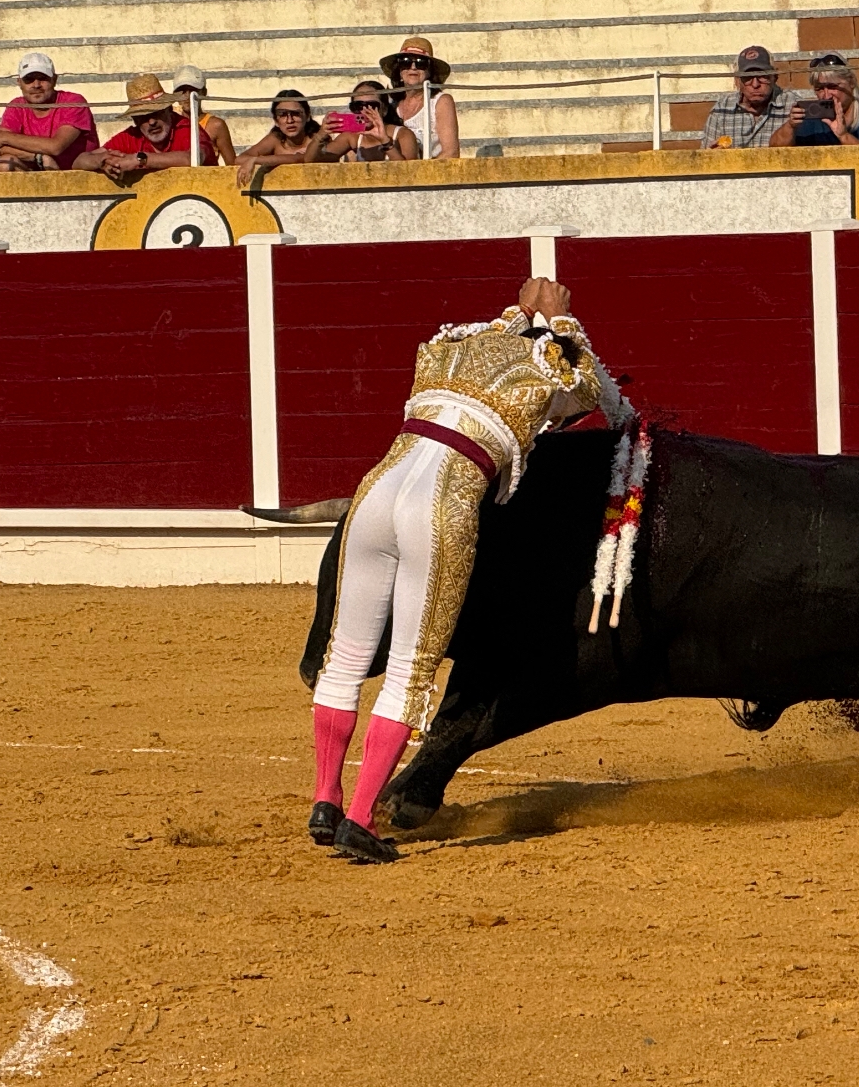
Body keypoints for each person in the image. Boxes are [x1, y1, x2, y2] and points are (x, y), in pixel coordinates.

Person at [308, 279, 629, 863]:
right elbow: (587, 388)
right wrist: (561, 320)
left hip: (375, 492)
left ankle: (325, 800)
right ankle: (360, 819)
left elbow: (494, 339)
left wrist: (523, 312)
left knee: (345, 658)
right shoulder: (542, 372)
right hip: (441, 505)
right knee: (410, 670)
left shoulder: (446, 348)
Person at [74, 73, 216, 181]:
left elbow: (192, 158)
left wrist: (139, 159)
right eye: (144, 117)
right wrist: (103, 161)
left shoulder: (186, 128)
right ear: (135, 120)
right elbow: (79, 161)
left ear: (169, 110)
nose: (152, 122)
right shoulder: (131, 136)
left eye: (157, 113)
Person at [0, 52, 98, 171]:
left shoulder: (73, 101)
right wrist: (38, 158)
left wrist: (4, 137)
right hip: (36, 169)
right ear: (19, 82)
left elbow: (56, 147)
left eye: (43, 78)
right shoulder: (16, 106)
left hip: (74, 174)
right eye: (29, 79)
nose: (36, 85)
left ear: (54, 80)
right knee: (5, 163)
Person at [771, 52, 859, 146]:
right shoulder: (813, 116)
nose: (827, 95)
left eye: (832, 87)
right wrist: (790, 126)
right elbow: (775, 151)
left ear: (851, 82)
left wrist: (843, 136)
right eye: (819, 88)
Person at [702, 45, 793, 149]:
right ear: (737, 81)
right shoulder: (722, 110)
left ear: (775, 77)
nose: (755, 84)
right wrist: (713, 154)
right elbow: (705, 154)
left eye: (762, 76)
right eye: (747, 77)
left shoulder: (790, 105)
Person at [382, 36, 458, 158]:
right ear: (399, 70)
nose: (413, 67)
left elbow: (451, 152)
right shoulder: (390, 103)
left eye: (421, 63)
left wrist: (424, 170)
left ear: (429, 71)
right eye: (406, 62)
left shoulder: (440, 102)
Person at [234, 89, 329, 185]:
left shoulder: (318, 139)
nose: (290, 120)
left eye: (296, 114)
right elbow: (239, 159)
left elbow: (302, 158)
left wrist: (256, 160)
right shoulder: (275, 139)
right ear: (276, 121)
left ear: (307, 116)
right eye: (283, 115)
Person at [318, 80, 417, 163]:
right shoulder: (352, 136)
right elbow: (315, 161)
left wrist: (386, 142)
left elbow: (410, 173)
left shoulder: (403, 134)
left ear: (385, 109)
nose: (364, 111)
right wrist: (320, 135)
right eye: (358, 106)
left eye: (371, 106)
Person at [170, 65, 235, 165]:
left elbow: (232, 165)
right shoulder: (171, 124)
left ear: (203, 92)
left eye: (193, 90)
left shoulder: (215, 126)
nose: (188, 95)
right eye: (182, 91)